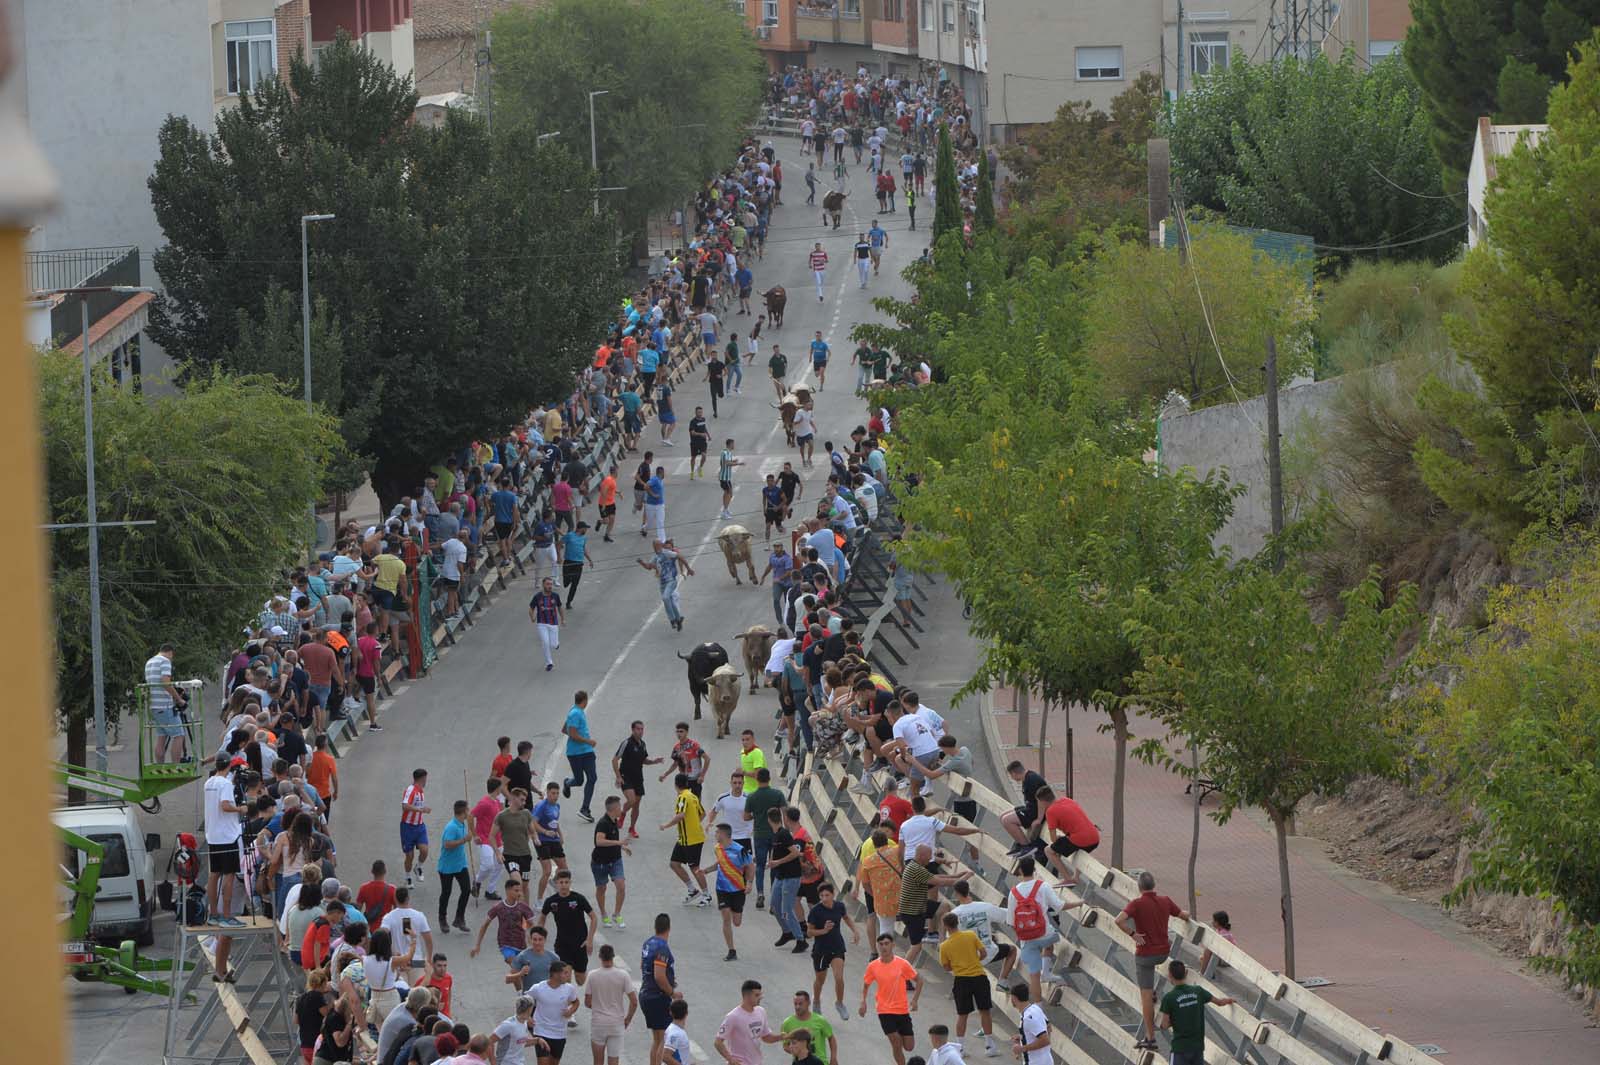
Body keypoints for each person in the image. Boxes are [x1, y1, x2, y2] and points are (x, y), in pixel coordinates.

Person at [1114, 870, 1189, 1051]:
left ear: (1139, 887)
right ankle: (1154, 993)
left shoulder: (1137, 904)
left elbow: (1119, 920)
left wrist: (1132, 934)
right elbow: (1183, 915)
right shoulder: (1165, 901)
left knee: (1145, 996)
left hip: (1145, 955)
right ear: (1154, 885)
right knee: (1152, 975)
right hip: (1163, 952)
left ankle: (1150, 1037)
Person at [1007, 855, 1083, 1003]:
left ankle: (1038, 1007)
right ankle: (1047, 972)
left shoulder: (1013, 892)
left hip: (1026, 938)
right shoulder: (1043, 886)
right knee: (1052, 939)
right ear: (1034, 870)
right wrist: (1078, 903)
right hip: (1043, 933)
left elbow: (1010, 921)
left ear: (1020, 871)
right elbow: (1059, 906)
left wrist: (1024, 933)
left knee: (1033, 976)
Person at [938, 913, 999, 1057]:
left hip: (961, 980)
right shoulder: (970, 935)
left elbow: (946, 967)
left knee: (963, 1014)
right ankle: (989, 1046)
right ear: (957, 923)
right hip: (979, 977)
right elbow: (983, 953)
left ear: (945, 926)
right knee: (985, 1011)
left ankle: (960, 1048)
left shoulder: (944, 945)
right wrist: (974, 961)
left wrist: (959, 966)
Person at [860, 934, 921, 1065]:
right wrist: (863, 1002)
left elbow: (919, 980)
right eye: (881, 944)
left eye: (886, 943)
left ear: (893, 945)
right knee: (896, 1042)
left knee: (909, 1047)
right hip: (884, 1010)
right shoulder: (873, 966)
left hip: (902, 1010)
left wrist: (915, 1000)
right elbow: (866, 984)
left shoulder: (902, 964)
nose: (883, 947)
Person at [1159, 959, 1235, 1065]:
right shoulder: (1198, 991)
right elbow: (1219, 1002)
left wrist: (1175, 1018)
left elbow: (1165, 1024)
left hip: (1180, 1048)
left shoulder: (1169, 998)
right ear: (1185, 973)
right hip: (1197, 1047)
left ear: (1170, 975)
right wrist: (1229, 1000)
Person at [699, 821, 754, 960]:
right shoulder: (717, 848)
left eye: (717, 832)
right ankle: (731, 951)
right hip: (722, 889)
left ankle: (736, 916)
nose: (715, 834)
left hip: (737, 889)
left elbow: (750, 866)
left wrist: (749, 883)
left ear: (724, 834)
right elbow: (720, 863)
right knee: (725, 918)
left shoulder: (740, 850)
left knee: (737, 922)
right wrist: (706, 870)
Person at [805, 882, 859, 1019]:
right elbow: (809, 933)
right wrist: (824, 930)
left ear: (833, 895)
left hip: (837, 947)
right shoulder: (815, 911)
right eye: (821, 896)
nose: (824, 898)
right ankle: (816, 1002)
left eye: (827, 895)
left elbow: (846, 918)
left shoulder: (839, 906)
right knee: (820, 980)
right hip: (821, 950)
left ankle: (839, 1003)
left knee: (839, 977)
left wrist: (855, 931)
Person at [948, 880, 1017, 983]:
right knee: (1012, 950)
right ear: (968, 891)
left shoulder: (954, 914)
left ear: (956, 894)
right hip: (988, 953)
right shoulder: (985, 907)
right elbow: (1008, 916)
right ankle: (1002, 981)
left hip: (968, 958)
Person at [541, 869, 599, 988]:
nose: (563, 885)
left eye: (566, 882)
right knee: (565, 978)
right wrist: (538, 936)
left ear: (570, 883)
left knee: (580, 980)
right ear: (556, 883)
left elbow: (593, 917)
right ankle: (568, 1003)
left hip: (580, 944)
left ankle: (580, 972)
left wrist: (589, 939)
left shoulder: (579, 899)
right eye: (561, 882)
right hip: (563, 944)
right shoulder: (551, 901)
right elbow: (542, 918)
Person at [661, 773, 711, 905]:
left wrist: (666, 825)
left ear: (675, 785)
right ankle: (692, 890)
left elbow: (681, 815)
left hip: (692, 839)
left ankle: (707, 894)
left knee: (694, 867)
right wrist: (694, 823)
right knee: (674, 863)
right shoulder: (693, 796)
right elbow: (703, 813)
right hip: (684, 838)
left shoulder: (682, 797)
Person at [585, 943, 638, 1065]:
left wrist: (599, 1005)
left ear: (600, 957)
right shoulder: (623, 975)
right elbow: (634, 1002)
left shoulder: (593, 975)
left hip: (598, 1023)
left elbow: (587, 1002)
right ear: (613, 957)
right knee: (614, 1061)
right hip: (616, 1023)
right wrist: (628, 1019)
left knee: (597, 1062)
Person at [640, 913, 680, 1065]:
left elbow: (643, 966)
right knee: (664, 1038)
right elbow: (659, 976)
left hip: (645, 993)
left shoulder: (648, 943)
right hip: (657, 996)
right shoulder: (662, 948)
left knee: (657, 1039)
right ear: (669, 928)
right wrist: (672, 992)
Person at [766, 806, 807, 951]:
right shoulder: (776, 834)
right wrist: (771, 863)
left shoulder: (784, 834)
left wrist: (777, 862)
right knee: (775, 906)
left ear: (769, 820)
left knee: (787, 909)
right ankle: (787, 932)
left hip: (791, 877)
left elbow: (795, 853)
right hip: (780, 876)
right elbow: (776, 852)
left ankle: (801, 939)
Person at [744, 768, 785, 909]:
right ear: (769, 779)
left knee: (760, 866)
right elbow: (784, 813)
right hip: (775, 834)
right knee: (774, 865)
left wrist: (756, 815)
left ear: (757, 779)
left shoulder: (752, 797)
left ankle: (760, 893)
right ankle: (774, 896)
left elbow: (746, 816)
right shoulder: (777, 794)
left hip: (759, 834)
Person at [714, 979, 782, 1065]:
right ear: (747, 996)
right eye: (757, 995)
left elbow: (766, 1037)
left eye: (760, 994)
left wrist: (781, 1037)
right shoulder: (733, 1016)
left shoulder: (761, 1011)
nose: (761, 997)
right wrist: (730, 1059)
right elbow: (718, 1042)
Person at [471, 877, 536, 964]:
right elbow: (485, 925)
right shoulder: (498, 907)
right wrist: (477, 945)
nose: (519, 893)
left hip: (521, 943)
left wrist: (531, 937)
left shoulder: (523, 907)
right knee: (514, 965)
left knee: (522, 972)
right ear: (508, 891)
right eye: (516, 891)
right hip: (505, 944)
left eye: (520, 891)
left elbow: (531, 924)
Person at [612, 720, 659, 839]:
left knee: (636, 805)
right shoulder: (626, 743)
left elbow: (643, 760)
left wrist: (654, 761)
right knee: (631, 800)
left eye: (642, 729)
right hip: (625, 777)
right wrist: (618, 776)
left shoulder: (643, 744)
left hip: (638, 778)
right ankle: (622, 814)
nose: (640, 731)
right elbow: (615, 760)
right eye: (638, 729)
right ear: (632, 730)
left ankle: (632, 828)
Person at [529, 962, 582, 1065]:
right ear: (555, 974)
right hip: (541, 1031)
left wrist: (571, 1010)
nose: (568, 975)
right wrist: (528, 1017)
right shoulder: (538, 988)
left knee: (553, 1063)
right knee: (543, 1062)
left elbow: (576, 1002)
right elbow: (525, 1001)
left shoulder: (569, 989)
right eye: (565, 973)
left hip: (559, 1032)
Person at [145, 644, 190, 763]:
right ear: (170, 652)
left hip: (154, 705)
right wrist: (179, 699)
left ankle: (160, 766)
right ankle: (176, 766)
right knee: (179, 735)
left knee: (162, 736)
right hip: (164, 705)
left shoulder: (149, 662)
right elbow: (165, 682)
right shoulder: (165, 661)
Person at [1041, 793, 1100, 884]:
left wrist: (1058, 839)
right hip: (1095, 837)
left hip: (1080, 839)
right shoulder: (1067, 800)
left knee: (1048, 851)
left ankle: (1067, 879)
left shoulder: (1050, 811)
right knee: (1078, 849)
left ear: (1043, 802)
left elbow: (1053, 839)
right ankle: (1076, 877)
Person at [591, 794, 630, 928]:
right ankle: (603, 914)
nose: (622, 810)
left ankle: (617, 914)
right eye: (620, 807)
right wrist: (619, 842)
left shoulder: (614, 821)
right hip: (600, 862)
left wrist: (622, 847)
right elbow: (599, 841)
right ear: (614, 808)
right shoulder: (603, 823)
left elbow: (612, 841)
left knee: (621, 886)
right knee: (602, 888)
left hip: (615, 860)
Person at [638, 539, 694, 632]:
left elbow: (679, 556)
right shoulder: (655, 557)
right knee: (670, 601)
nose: (654, 547)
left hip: (671, 580)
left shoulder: (666, 553)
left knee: (665, 598)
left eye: (656, 545)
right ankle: (679, 619)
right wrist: (641, 563)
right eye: (654, 545)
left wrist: (688, 568)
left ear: (659, 546)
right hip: (662, 583)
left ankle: (672, 620)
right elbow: (649, 567)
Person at [380, 886, 434, 980]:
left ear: (395, 898)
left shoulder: (388, 917)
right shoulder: (419, 916)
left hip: (399, 960)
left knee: (401, 992)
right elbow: (428, 939)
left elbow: (382, 936)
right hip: (417, 961)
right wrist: (428, 958)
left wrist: (389, 955)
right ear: (408, 898)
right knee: (417, 992)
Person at [999, 761, 1051, 853]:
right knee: (1002, 815)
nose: (1012, 778)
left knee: (1006, 821)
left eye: (1011, 776)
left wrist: (1039, 819)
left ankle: (1026, 846)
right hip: (1031, 808)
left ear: (1014, 773)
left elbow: (1042, 799)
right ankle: (1020, 844)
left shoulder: (1031, 780)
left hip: (1035, 813)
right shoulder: (1027, 777)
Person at [562, 691, 598, 822]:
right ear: (585, 700)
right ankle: (567, 782)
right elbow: (571, 734)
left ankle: (585, 809)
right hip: (575, 754)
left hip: (587, 752)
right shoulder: (575, 713)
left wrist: (580, 736)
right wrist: (588, 741)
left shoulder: (576, 710)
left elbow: (564, 730)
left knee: (592, 778)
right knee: (579, 781)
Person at [437, 800, 472, 933]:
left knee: (466, 889)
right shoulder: (451, 827)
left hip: (460, 864)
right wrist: (464, 840)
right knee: (446, 893)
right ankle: (442, 918)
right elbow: (447, 844)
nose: (468, 812)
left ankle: (459, 918)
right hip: (447, 866)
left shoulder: (463, 823)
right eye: (467, 810)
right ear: (463, 812)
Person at [533, 781, 569, 899]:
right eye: (553, 793)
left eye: (557, 793)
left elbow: (555, 822)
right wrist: (545, 832)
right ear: (547, 793)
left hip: (553, 839)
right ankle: (539, 899)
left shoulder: (557, 806)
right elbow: (533, 824)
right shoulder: (541, 806)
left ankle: (554, 881)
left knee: (564, 868)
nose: (555, 796)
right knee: (547, 871)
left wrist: (560, 835)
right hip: (542, 840)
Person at [780, 991, 836, 1065]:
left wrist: (833, 1058)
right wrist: (799, 1051)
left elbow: (831, 1038)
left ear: (808, 1003)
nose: (797, 1007)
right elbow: (785, 1045)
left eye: (800, 1004)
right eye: (795, 1004)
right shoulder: (787, 1023)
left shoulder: (820, 1020)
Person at [495, 786, 537, 882]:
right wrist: (497, 853)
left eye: (524, 800)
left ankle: (517, 897)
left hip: (525, 855)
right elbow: (491, 836)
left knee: (525, 886)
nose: (524, 803)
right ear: (514, 798)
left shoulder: (526, 813)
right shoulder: (502, 816)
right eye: (522, 800)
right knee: (517, 881)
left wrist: (535, 838)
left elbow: (533, 831)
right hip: (510, 855)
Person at [492, 996, 544, 1065]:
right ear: (529, 1009)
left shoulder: (524, 1023)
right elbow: (489, 1041)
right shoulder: (508, 1025)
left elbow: (520, 1042)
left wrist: (537, 1040)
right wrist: (492, 1060)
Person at [1008, 983, 1051, 1065]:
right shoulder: (1036, 1008)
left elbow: (1045, 1040)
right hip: (1047, 1060)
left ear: (1014, 998)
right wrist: (1024, 1037)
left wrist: (1022, 1048)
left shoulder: (1028, 1018)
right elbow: (1048, 1027)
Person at [529, 577, 565, 672]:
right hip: (542, 623)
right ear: (543, 585)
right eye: (548, 584)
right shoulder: (537, 596)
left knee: (553, 644)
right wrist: (532, 617)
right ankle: (549, 663)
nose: (550, 586)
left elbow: (560, 607)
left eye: (551, 584)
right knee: (545, 642)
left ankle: (556, 644)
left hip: (553, 623)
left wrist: (563, 619)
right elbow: (531, 608)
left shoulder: (555, 596)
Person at [507, 925, 556, 993]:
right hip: (530, 997)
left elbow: (562, 979)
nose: (537, 943)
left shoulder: (553, 957)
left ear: (545, 940)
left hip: (548, 996)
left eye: (540, 939)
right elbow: (508, 979)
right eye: (534, 939)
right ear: (530, 939)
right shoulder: (522, 956)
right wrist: (520, 973)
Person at [560, 522, 592, 610]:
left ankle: (569, 602)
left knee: (575, 584)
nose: (586, 530)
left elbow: (584, 549)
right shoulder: (569, 536)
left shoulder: (584, 538)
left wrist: (589, 559)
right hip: (568, 562)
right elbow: (559, 544)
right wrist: (559, 557)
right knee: (566, 583)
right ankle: (569, 579)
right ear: (579, 528)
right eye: (585, 528)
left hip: (578, 563)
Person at [718, 438, 743, 520]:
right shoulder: (726, 452)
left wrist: (734, 460)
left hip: (726, 477)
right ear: (730, 444)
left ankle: (726, 509)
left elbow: (727, 461)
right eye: (733, 444)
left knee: (727, 493)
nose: (734, 446)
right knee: (730, 493)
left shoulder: (726, 452)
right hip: (725, 477)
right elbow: (727, 463)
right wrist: (738, 463)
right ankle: (724, 512)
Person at [664, 999, 693, 1065]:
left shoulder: (672, 1028)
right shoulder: (676, 1034)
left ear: (671, 1013)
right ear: (687, 1013)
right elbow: (665, 1056)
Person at [596, 466, 619, 543]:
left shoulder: (612, 480)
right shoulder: (608, 480)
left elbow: (611, 489)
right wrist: (604, 505)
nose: (617, 473)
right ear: (614, 472)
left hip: (611, 503)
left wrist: (617, 492)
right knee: (606, 521)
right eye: (617, 471)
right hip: (604, 504)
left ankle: (607, 535)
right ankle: (600, 522)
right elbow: (603, 492)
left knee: (612, 520)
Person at [689, 408, 712, 477]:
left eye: (701, 412)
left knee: (704, 456)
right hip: (694, 442)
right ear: (695, 413)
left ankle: (700, 468)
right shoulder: (693, 422)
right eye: (699, 412)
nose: (700, 414)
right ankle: (692, 472)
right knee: (693, 457)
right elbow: (692, 433)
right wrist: (701, 434)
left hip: (702, 442)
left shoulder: (703, 419)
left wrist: (708, 435)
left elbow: (704, 428)